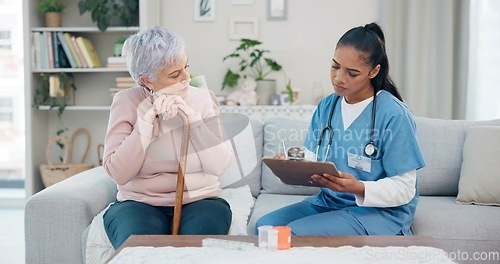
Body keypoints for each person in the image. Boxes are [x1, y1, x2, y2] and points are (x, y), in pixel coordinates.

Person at [255, 22, 426, 236]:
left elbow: (405, 189)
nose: (339, 78)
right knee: (264, 228)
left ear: (374, 71)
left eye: (352, 73)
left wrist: (358, 188)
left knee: (294, 234)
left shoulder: (393, 114)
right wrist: (292, 163)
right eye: (335, 66)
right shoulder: (327, 106)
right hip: (330, 202)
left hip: (378, 212)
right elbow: (314, 156)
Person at [102, 26, 235, 249]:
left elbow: (220, 165)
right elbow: (118, 173)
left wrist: (192, 120)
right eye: (175, 74)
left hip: (202, 201)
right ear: (147, 81)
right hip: (137, 203)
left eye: (186, 66)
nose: (187, 78)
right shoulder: (125, 101)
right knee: (141, 251)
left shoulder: (202, 98)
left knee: (196, 250)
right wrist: (145, 125)